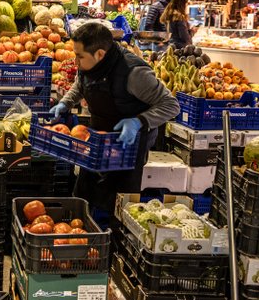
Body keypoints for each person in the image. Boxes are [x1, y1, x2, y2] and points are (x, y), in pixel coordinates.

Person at [49, 22, 179, 221]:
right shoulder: (88, 64)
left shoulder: (134, 73)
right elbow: (80, 84)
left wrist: (138, 121)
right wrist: (65, 103)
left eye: (80, 56)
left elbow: (171, 105)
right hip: (98, 137)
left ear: (100, 54)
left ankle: (115, 241)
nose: (75, 61)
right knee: (85, 191)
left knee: (119, 202)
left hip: (129, 144)